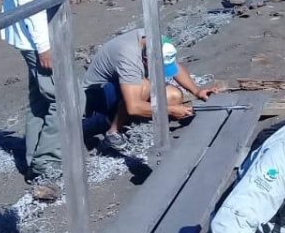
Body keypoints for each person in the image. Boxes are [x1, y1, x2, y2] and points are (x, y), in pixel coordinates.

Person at [0, 0, 82, 202]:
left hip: (40, 39)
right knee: (65, 97)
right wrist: (44, 46)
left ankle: (34, 158)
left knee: (40, 97)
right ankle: (47, 165)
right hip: (38, 40)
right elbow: (29, 4)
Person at [81, 30, 219, 149]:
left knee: (173, 97)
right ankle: (113, 129)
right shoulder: (129, 59)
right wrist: (171, 110)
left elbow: (175, 67)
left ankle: (130, 117)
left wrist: (197, 91)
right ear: (147, 59)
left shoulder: (157, 41)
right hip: (97, 95)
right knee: (145, 86)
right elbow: (133, 107)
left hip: (125, 84)